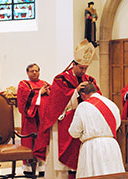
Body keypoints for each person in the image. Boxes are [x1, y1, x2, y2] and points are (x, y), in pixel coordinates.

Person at [33, 39, 101, 179]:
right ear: (74, 64)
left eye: (85, 68)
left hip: (83, 125)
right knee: (63, 166)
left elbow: (97, 98)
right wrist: (75, 92)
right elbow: (57, 105)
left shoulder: (89, 79)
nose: (83, 71)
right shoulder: (60, 79)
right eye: (81, 68)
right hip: (62, 124)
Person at [69, 83, 125, 178]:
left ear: (83, 95)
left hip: (92, 147)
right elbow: (117, 124)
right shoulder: (111, 104)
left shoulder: (83, 106)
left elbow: (74, 132)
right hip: (111, 145)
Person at [17, 63, 50, 177]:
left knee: (42, 140)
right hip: (30, 120)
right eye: (32, 71)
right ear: (27, 72)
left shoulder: (44, 84)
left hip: (43, 119)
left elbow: (52, 96)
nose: (35, 73)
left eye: (36, 70)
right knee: (30, 141)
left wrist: (49, 92)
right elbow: (24, 100)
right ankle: (28, 168)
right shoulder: (23, 84)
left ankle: (42, 166)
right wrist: (39, 93)